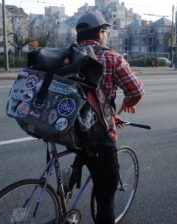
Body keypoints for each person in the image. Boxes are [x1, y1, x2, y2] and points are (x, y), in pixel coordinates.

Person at [71, 11, 145, 224]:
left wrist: (111, 114)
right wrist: (127, 103)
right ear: (100, 33)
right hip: (99, 136)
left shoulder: (68, 55)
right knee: (105, 197)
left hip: (69, 131)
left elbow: (86, 98)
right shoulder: (111, 57)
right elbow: (136, 91)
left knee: (76, 161)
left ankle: (64, 194)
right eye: (105, 31)